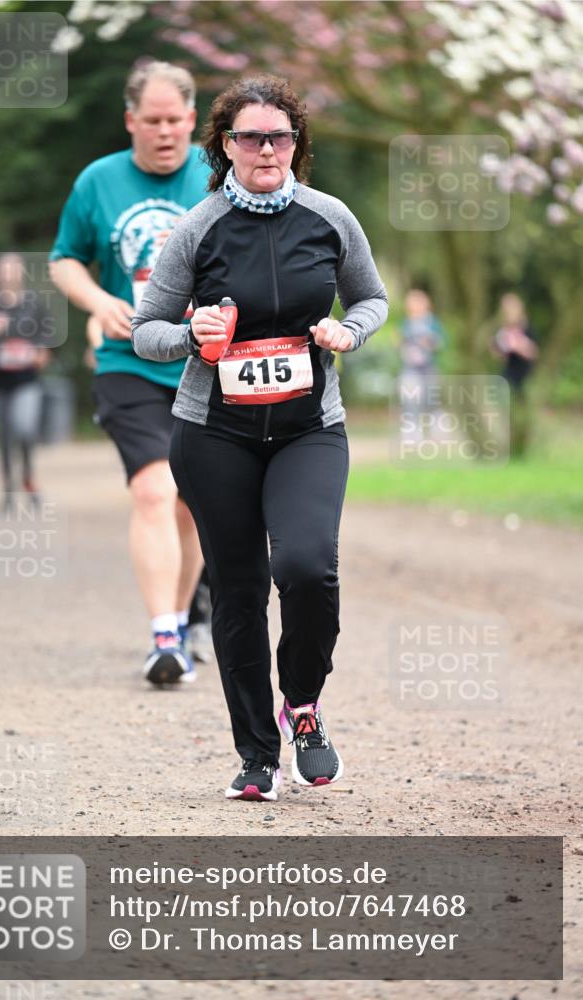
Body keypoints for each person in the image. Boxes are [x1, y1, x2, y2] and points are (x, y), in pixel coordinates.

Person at [131, 74, 388, 801]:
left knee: (307, 568)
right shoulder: (199, 227)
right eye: (250, 136)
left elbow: (371, 297)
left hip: (309, 429)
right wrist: (190, 335)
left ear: (296, 143)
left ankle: (301, 703)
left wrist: (349, 330)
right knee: (238, 591)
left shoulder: (329, 218)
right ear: (225, 145)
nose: (266, 148)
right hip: (214, 435)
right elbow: (145, 328)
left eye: (279, 135)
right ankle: (255, 755)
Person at [49, 61, 212, 685]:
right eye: (153, 121)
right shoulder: (99, 181)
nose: (165, 132)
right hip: (130, 362)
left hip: (204, 363)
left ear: (193, 120)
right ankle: (164, 635)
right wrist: (98, 303)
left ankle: (191, 612)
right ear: (130, 121)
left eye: (176, 120)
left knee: (193, 506)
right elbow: (65, 261)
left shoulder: (218, 177)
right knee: (153, 489)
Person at [0, 252, 51, 513]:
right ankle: (8, 487)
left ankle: (28, 477)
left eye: (14, 269)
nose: (9, 274)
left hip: (26, 381)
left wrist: (42, 353)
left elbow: (46, 339)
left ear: (21, 273)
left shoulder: (34, 304)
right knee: (4, 437)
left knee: (25, 429)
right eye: (5, 270)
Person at [492, 292, 539, 456]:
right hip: (507, 374)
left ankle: (521, 447)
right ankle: (507, 445)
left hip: (524, 374)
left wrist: (518, 344)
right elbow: (497, 354)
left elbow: (533, 352)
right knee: (505, 410)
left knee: (522, 410)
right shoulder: (502, 329)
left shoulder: (527, 328)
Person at [398, 288, 445, 444]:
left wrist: (429, 342)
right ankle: (412, 432)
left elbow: (440, 342)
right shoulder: (406, 323)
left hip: (428, 367)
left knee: (431, 399)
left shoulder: (431, 322)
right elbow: (400, 342)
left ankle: (435, 430)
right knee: (410, 399)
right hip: (410, 368)